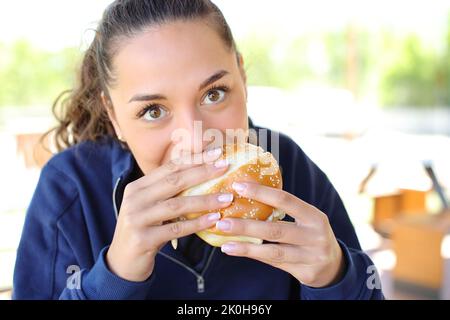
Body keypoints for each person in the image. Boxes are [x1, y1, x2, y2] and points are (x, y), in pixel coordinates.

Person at [13, 0, 383, 299]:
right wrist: (112, 278)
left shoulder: (291, 169)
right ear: (113, 114)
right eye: (153, 111)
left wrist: (338, 279)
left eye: (214, 94)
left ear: (243, 77)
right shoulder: (69, 189)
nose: (195, 139)